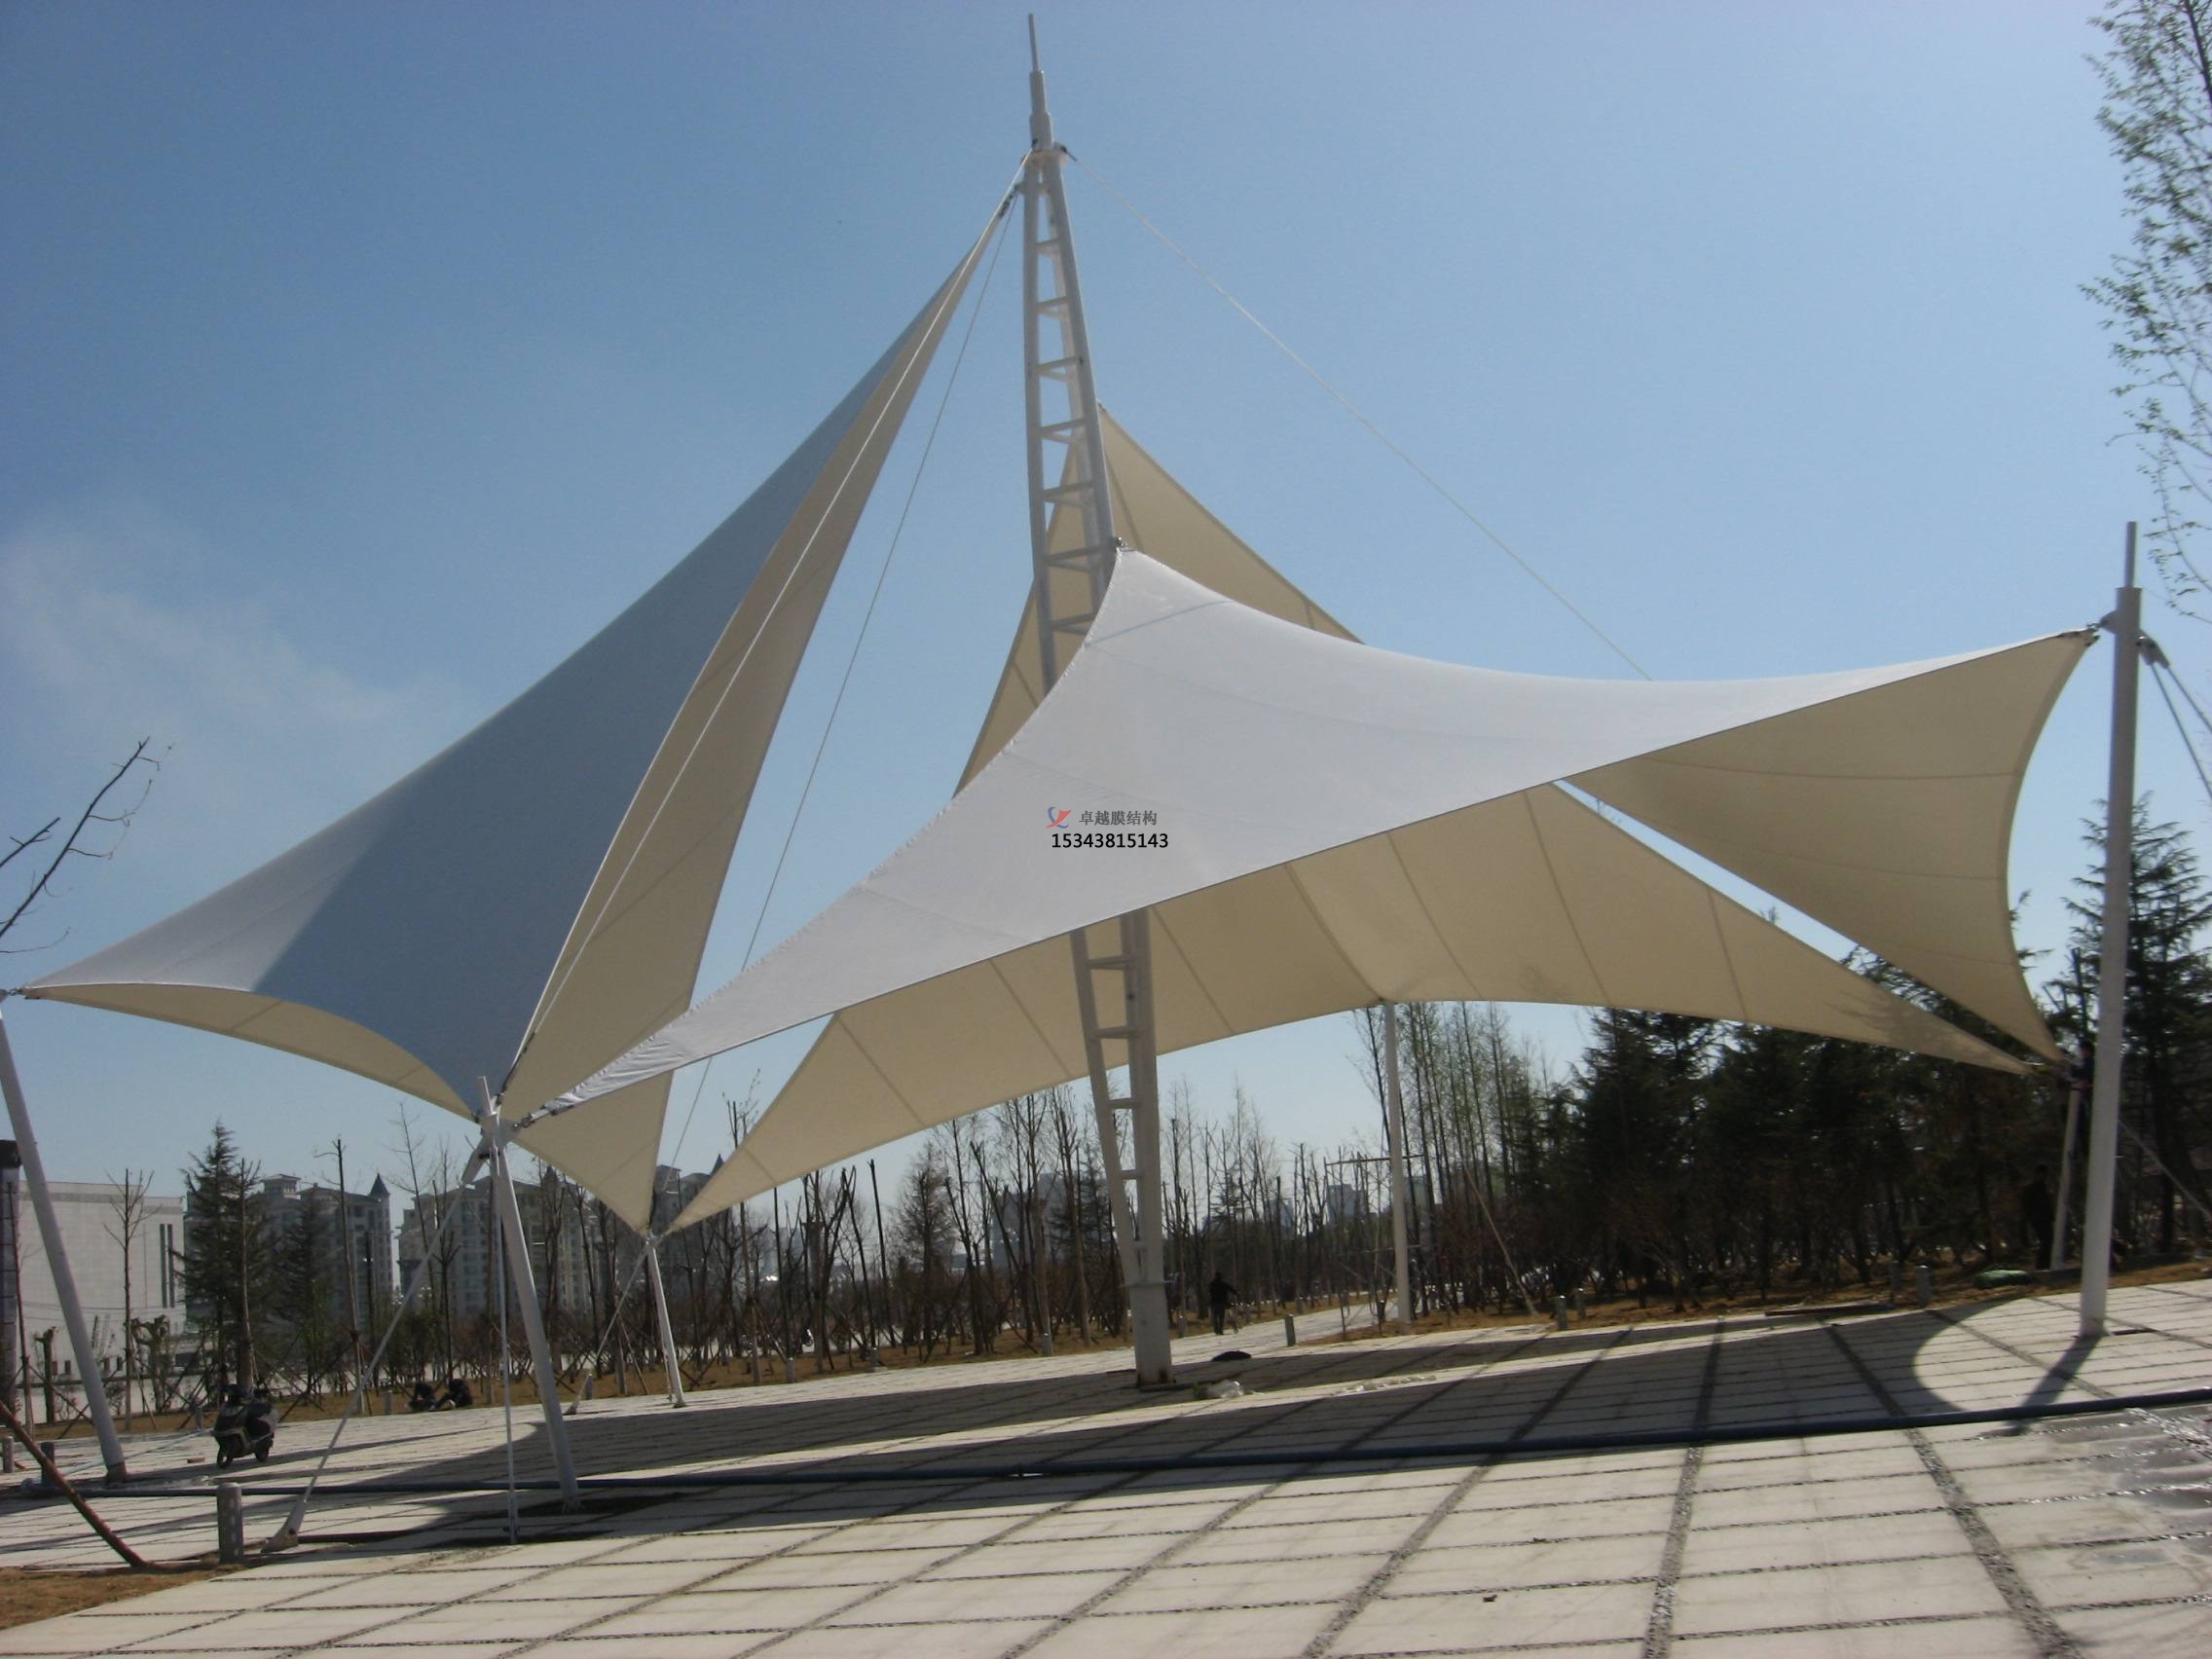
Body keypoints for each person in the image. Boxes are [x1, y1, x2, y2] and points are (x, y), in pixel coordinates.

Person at [1207, 1272, 1236, 1337]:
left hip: (1214, 1302)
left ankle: (1216, 1329)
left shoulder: (1212, 1284)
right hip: (1222, 1302)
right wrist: (1236, 1293)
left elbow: (1209, 1292)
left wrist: (1209, 1300)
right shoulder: (1223, 1283)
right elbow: (1231, 1289)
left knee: (1215, 1317)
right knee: (1221, 1317)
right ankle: (1220, 1330)